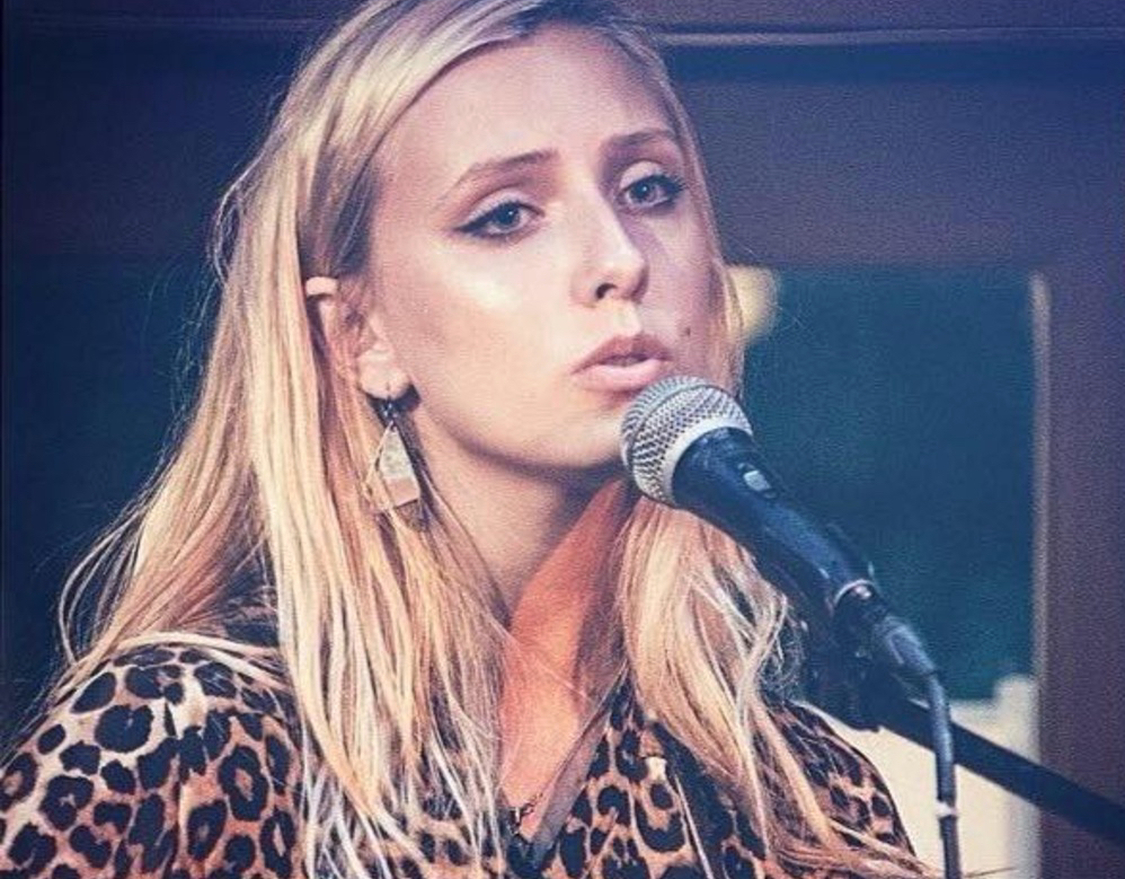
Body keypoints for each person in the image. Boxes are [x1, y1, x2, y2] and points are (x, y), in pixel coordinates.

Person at [0, 1, 929, 876]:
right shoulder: (175, 740)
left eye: (648, 188)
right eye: (505, 215)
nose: (620, 258)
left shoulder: (803, 801)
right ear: (359, 333)